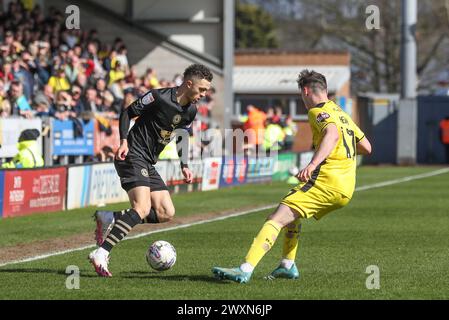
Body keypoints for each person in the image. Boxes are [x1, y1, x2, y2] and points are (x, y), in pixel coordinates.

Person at [212, 70, 372, 283]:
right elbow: (366, 147)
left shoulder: (317, 111)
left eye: (301, 95)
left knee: (275, 219)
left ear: (306, 91)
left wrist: (314, 164)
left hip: (326, 182)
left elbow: (331, 135)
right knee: (292, 213)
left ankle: (245, 269)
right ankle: (287, 265)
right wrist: (341, 155)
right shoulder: (341, 113)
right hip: (346, 187)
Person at [88, 64, 213, 277]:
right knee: (142, 208)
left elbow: (182, 136)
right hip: (132, 154)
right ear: (189, 84)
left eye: (206, 91)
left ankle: (110, 216)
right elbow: (128, 112)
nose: (203, 95)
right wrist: (124, 141)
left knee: (166, 212)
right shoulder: (158, 97)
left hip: (148, 162)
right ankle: (101, 253)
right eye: (201, 90)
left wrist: (184, 165)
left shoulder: (190, 110)